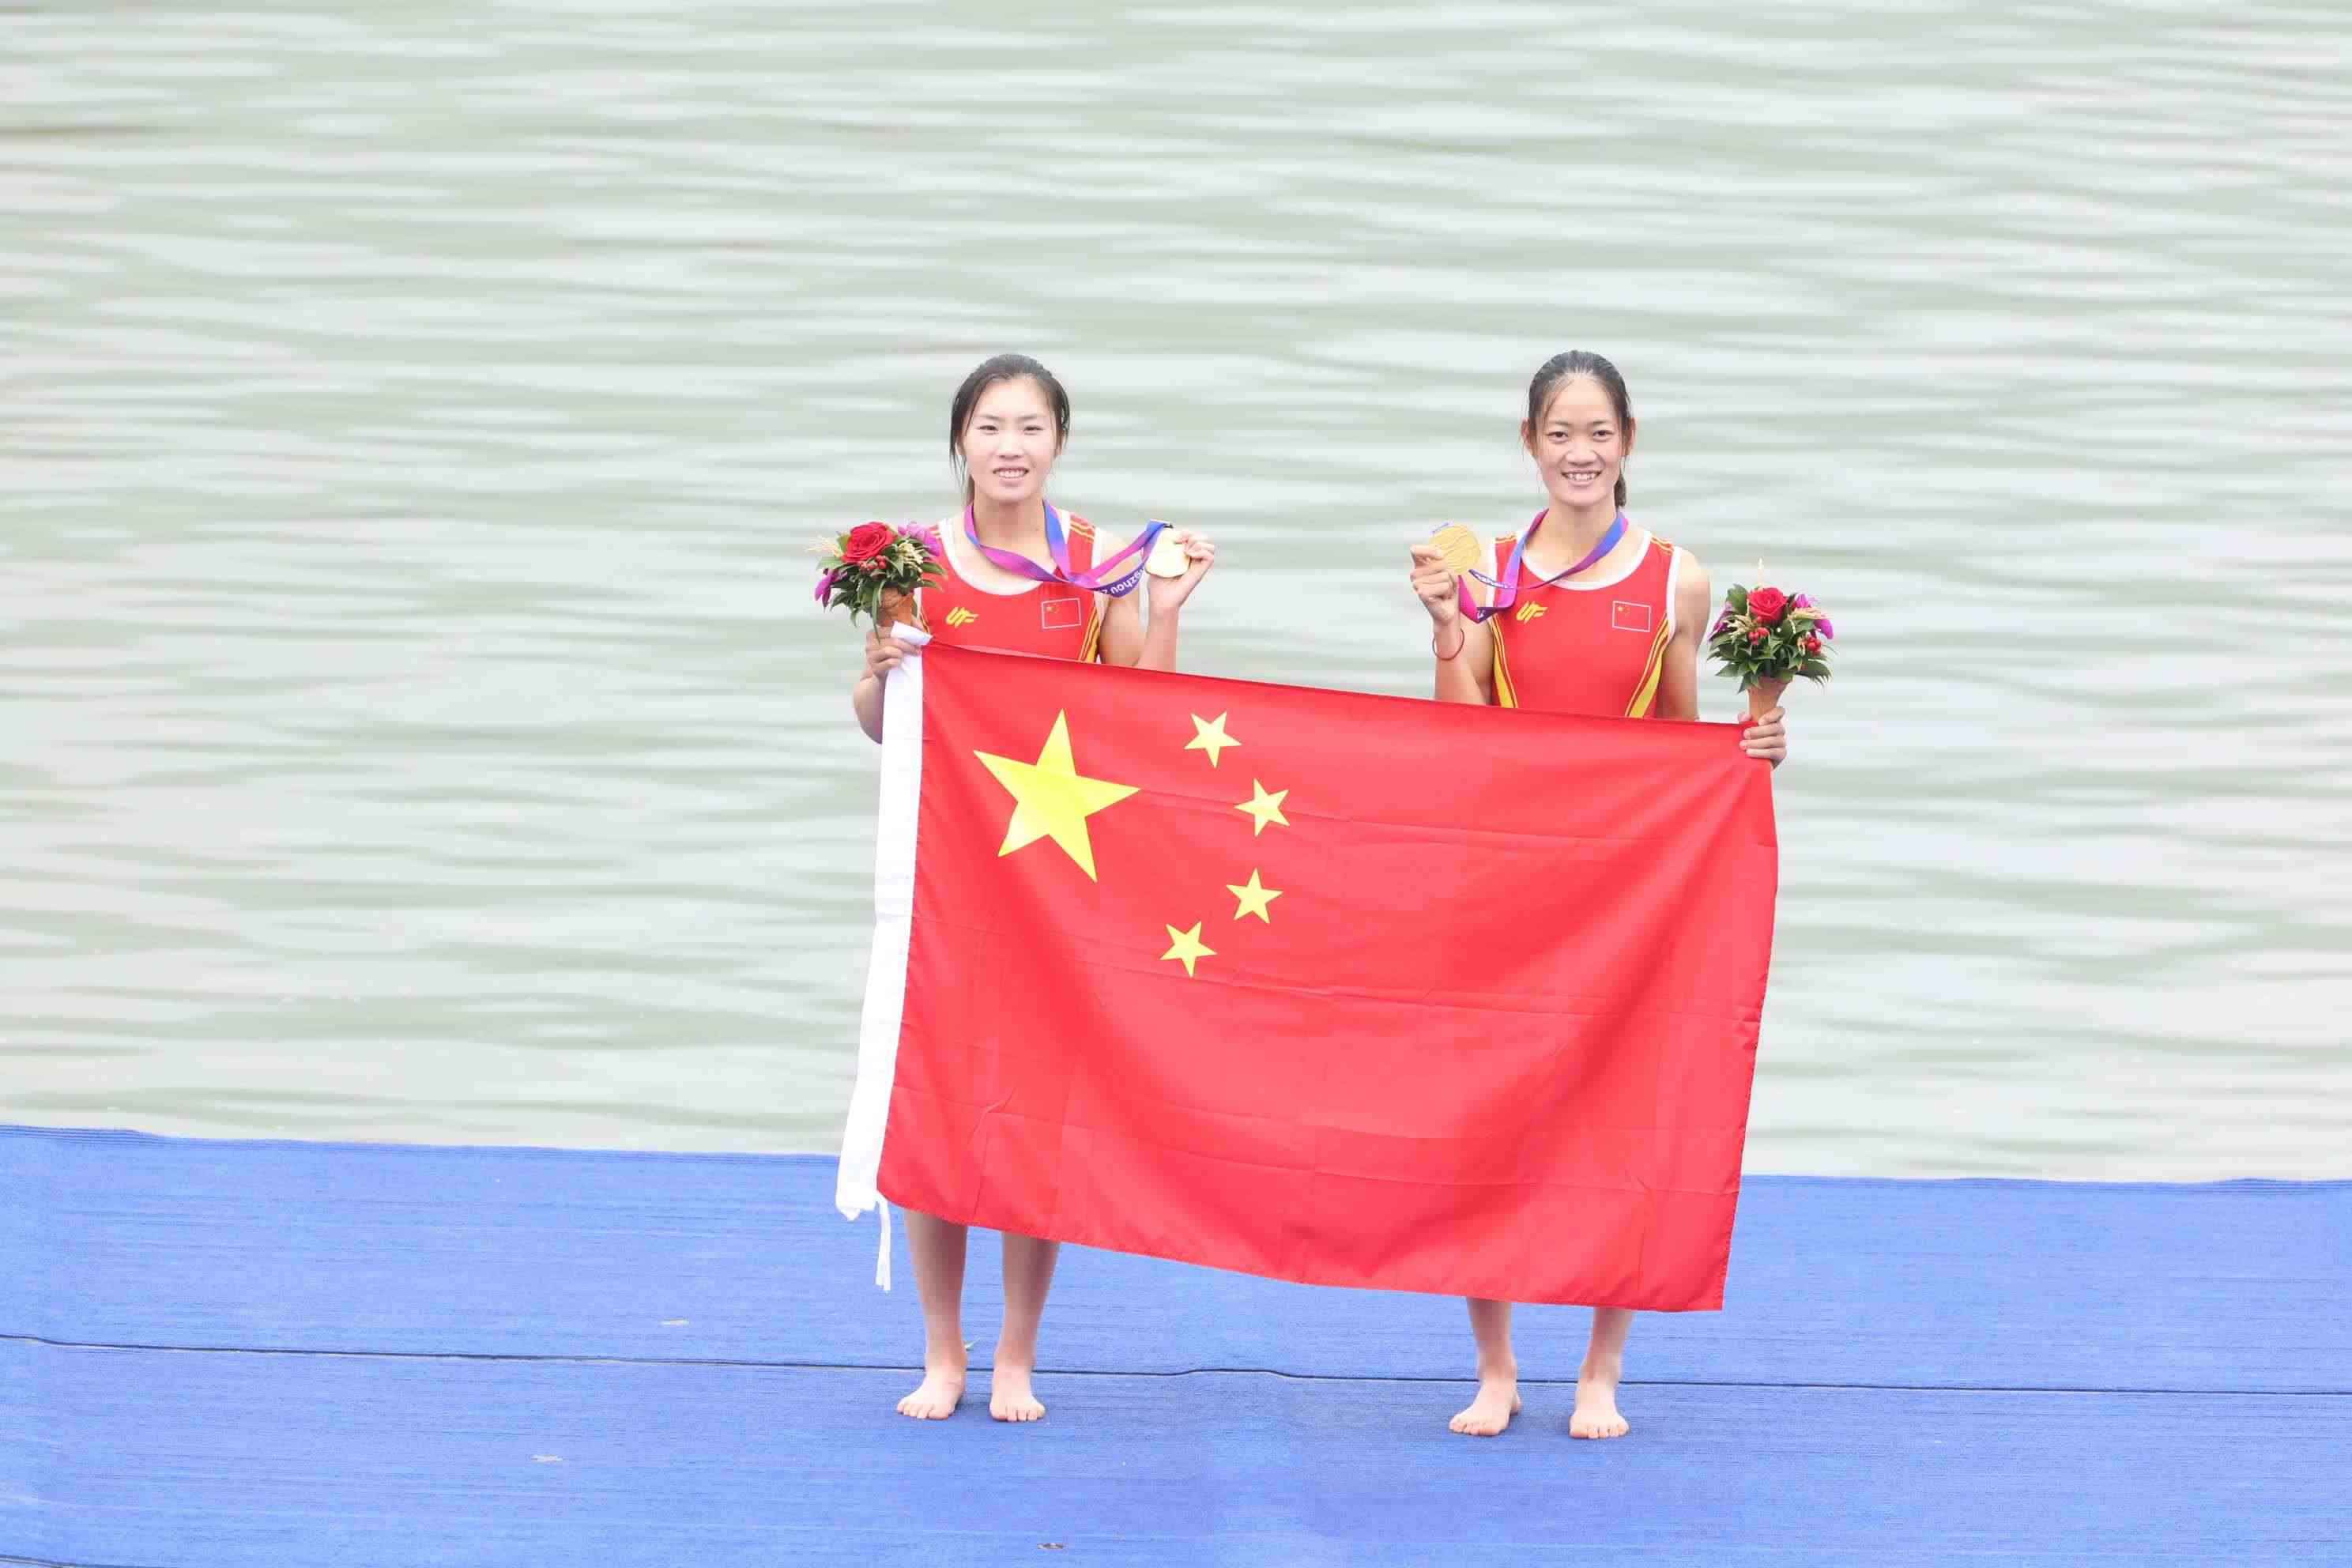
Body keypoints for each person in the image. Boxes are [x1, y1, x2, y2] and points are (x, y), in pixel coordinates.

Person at [1406, 349, 1786, 1441]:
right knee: (1490, 1120)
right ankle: (1495, 1367)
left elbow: (1677, 741)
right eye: (1560, 434)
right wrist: (1445, 626)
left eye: (1599, 433)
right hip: (1505, 880)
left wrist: (1754, 745)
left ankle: (1600, 1371)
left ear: (1629, 443)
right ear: (1530, 444)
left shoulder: (1676, 580)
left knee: (1620, 1118)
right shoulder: (1483, 567)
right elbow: (1462, 728)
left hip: (1626, 895)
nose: (1580, 453)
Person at [854, 353, 1214, 1421]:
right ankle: (942, 1351)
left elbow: (1144, 712)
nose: (1010, 447)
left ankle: (1016, 1351)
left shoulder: (1098, 564)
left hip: (1059, 879)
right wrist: (878, 673)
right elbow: (881, 727)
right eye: (989, 427)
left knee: (1034, 1117)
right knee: (938, 1109)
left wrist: (1167, 608)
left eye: (1030, 428)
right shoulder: (912, 562)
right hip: (949, 877)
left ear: (1059, 442)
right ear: (960, 442)